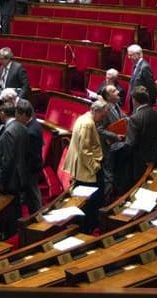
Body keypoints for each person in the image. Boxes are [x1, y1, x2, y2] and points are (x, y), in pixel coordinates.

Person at [63, 99, 109, 232]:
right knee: (92, 202)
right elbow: (85, 150)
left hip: (84, 168)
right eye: (103, 114)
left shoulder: (84, 118)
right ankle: (87, 228)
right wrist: (94, 167)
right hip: (87, 171)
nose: (103, 117)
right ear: (97, 111)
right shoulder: (87, 124)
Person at [122, 87, 157, 190]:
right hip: (153, 155)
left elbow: (131, 143)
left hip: (139, 162)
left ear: (134, 100)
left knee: (137, 187)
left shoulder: (135, 118)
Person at [126, 44, 157, 109]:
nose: (128, 57)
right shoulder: (135, 65)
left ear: (138, 54)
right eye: (128, 55)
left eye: (130, 55)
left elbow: (151, 87)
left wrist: (150, 104)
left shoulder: (145, 67)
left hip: (142, 103)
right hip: (136, 100)